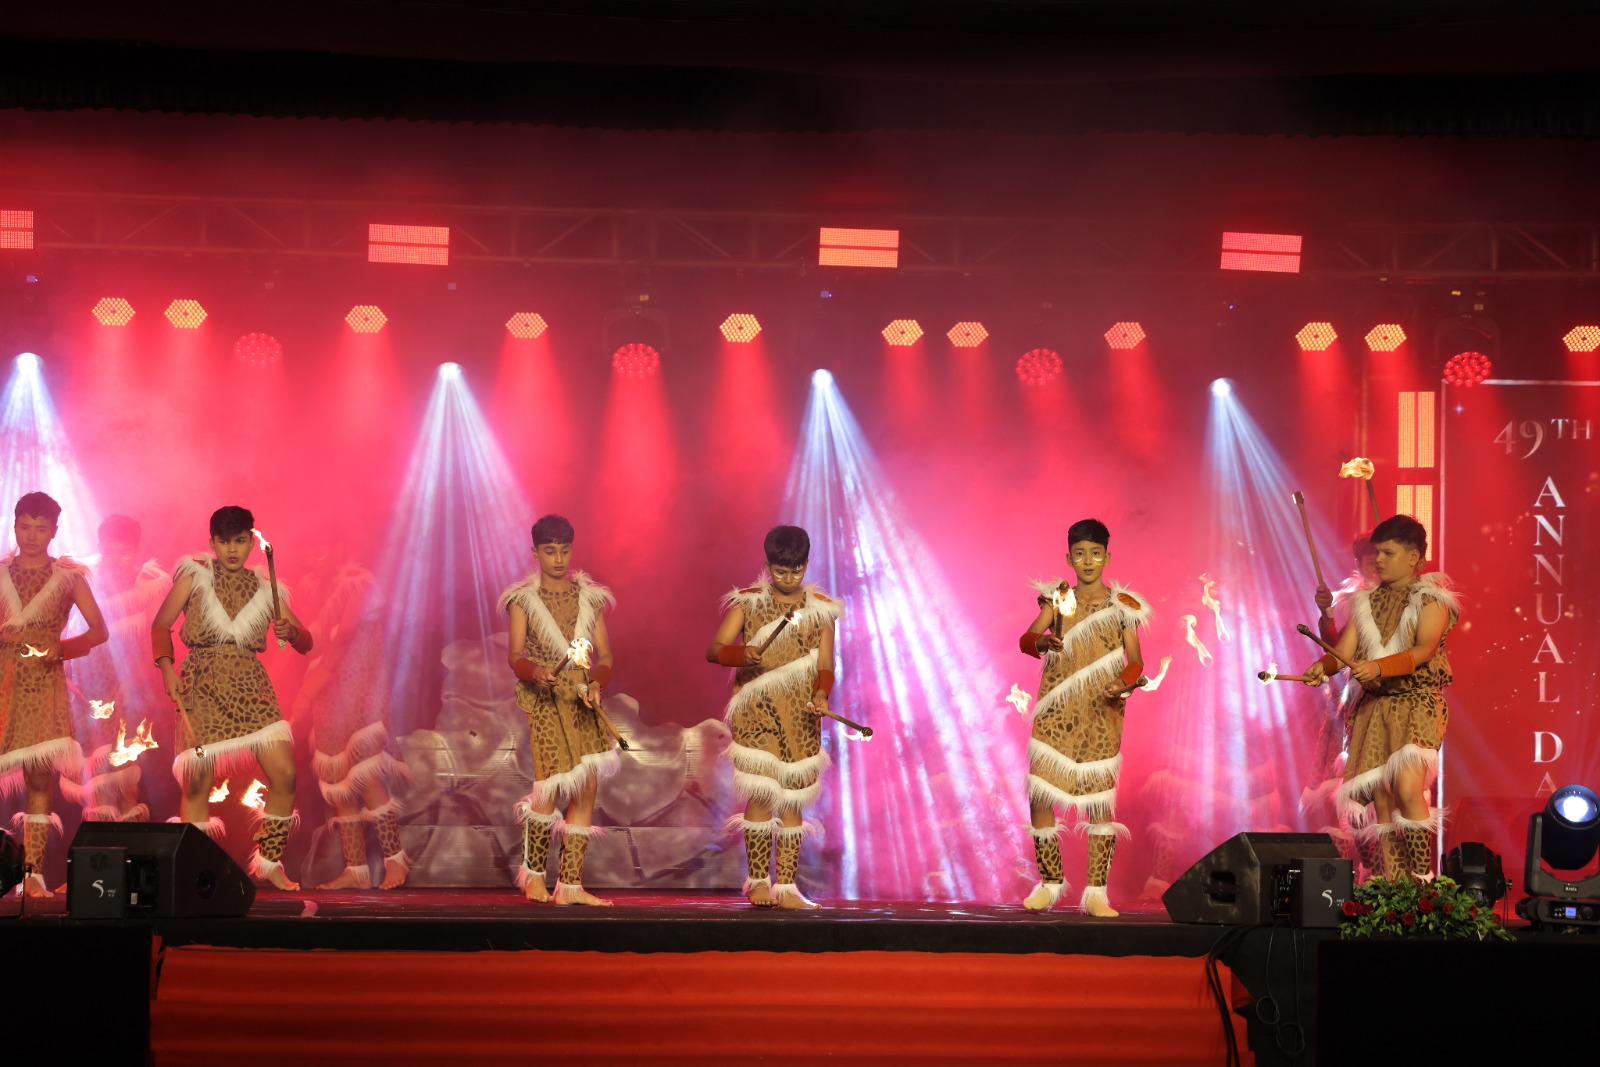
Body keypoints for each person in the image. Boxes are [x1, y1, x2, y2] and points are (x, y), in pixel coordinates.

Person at [150, 505, 312, 891]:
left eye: (240, 541)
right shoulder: (195, 575)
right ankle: (193, 873)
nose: (233, 549)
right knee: (197, 784)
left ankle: (269, 862)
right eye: (224, 542)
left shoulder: (267, 588)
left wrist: (292, 631)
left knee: (285, 774)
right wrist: (167, 667)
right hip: (202, 683)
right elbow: (160, 624)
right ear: (212, 543)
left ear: (252, 542)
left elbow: (306, 642)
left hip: (251, 686)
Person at [1303, 514, 1458, 880]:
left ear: (1414, 557)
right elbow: (1343, 652)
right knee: (1382, 797)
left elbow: (1423, 650)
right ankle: (1394, 882)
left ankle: (1423, 884)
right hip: (1374, 707)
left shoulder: (1432, 599)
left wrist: (1378, 667)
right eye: (1377, 553)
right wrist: (1322, 667)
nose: (1379, 561)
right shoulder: (1366, 602)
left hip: (1416, 703)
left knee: (1407, 788)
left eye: (1388, 553)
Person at [1017, 517, 1150, 916]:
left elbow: (1136, 662)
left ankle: (1096, 893)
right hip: (1057, 710)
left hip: (1101, 711)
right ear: (1069, 559)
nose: (1088, 561)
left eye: (1095, 553)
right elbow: (1027, 640)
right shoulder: (1059, 598)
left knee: (1099, 801)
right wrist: (1045, 642)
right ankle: (1050, 882)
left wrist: (1122, 683)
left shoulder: (1122, 607)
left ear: (1107, 557)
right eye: (1080, 554)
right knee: (1041, 793)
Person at [705, 524, 841, 909]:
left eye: (796, 571)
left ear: (806, 565)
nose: (789, 578)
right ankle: (759, 882)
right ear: (767, 566)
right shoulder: (748, 603)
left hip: (800, 714)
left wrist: (821, 693)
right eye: (781, 571)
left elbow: (826, 664)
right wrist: (741, 653)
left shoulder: (821, 610)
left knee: (794, 800)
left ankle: (788, 888)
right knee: (763, 793)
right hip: (757, 712)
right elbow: (714, 649)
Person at [499, 514, 618, 906]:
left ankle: (570, 886)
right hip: (547, 699)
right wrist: (537, 672)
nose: (558, 559)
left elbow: (605, 655)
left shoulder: (589, 599)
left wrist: (598, 683)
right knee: (549, 787)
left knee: (586, 786)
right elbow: (515, 656)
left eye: (564, 550)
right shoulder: (523, 601)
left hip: (583, 699)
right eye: (549, 551)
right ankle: (534, 877)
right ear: (535, 553)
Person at [0, 492, 108, 896]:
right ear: (14, 526)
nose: (31, 536)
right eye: (24, 527)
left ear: (54, 531)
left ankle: (32, 875)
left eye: (40, 528)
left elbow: (99, 631)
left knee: (39, 780)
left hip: (44, 683)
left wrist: (60, 649)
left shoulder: (68, 578)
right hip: (2, 678)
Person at [296, 556, 411, 890]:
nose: (316, 555)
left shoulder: (358, 584)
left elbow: (344, 636)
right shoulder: (319, 591)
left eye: (322, 548)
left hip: (361, 693)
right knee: (339, 782)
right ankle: (356, 870)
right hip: (330, 698)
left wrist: (307, 690)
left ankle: (396, 861)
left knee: (366, 776)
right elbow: (308, 643)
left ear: (338, 548)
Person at [66, 514, 170, 826]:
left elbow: (156, 643)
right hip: (86, 687)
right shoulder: (82, 579)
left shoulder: (150, 587)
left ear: (136, 550)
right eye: (109, 551)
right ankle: (99, 847)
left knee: (125, 775)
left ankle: (131, 847)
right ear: (100, 546)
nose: (114, 559)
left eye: (123, 553)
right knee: (95, 774)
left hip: (132, 688)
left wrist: (130, 686)